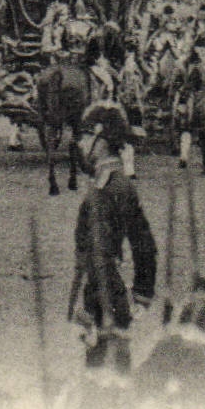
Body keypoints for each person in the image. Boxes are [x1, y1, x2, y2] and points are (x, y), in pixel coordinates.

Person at [71, 104, 158, 374]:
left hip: (107, 297)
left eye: (86, 137)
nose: (81, 145)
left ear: (102, 140)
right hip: (103, 294)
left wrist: (138, 297)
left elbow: (142, 245)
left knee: (107, 376)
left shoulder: (112, 185)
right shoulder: (111, 181)